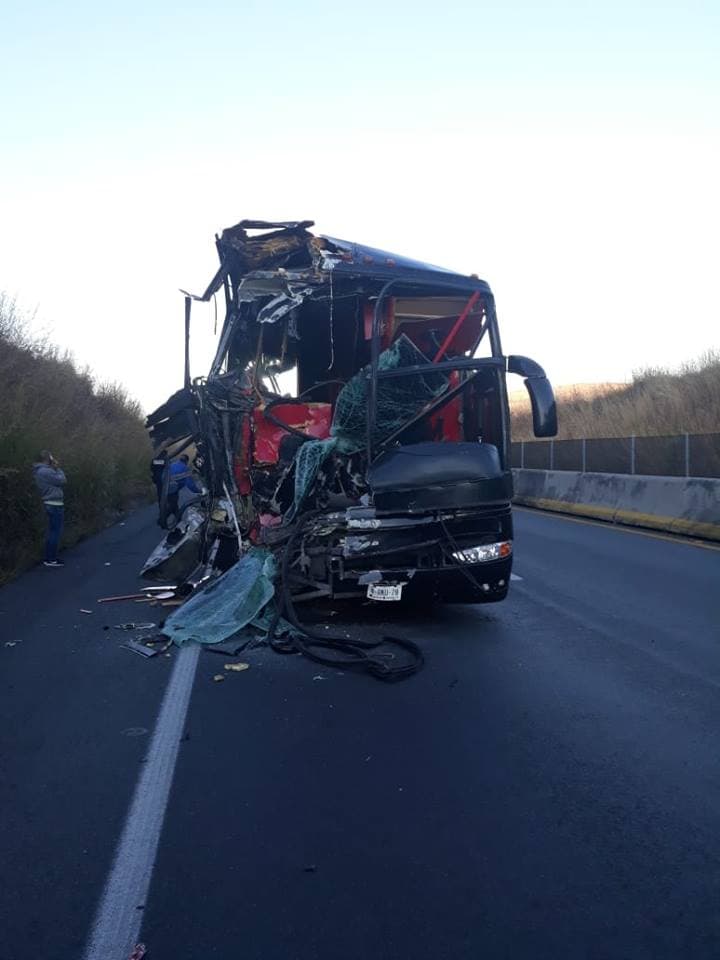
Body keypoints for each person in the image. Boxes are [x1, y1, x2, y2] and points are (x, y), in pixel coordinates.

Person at [32, 450, 67, 567]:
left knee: (51, 531)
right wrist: (58, 468)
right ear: (48, 458)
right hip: (54, 504)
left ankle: (48, 557)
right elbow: (62, 480)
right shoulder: (46, 471)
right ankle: (51, 558)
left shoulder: (39, 471)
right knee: (55, 532)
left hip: (48, 502)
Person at [166, 453, 201, 522]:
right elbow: (190, 485)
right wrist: (199, 491)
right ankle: (164, 519)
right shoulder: (185, 468)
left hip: (164, 488)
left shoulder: (172, 464)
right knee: (173, 505)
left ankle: (176, 519)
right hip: (172, 489)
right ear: (186, 461)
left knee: (172, 504)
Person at [150, 448, 168, 520]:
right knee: (165, 495)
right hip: (164, 480)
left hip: (157, 480)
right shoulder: (164, 460)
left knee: (160, 495)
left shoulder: (154, 460)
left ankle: (161, 511)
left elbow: (151, 469)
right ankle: (164, 511)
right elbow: (167, 469)